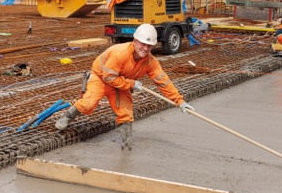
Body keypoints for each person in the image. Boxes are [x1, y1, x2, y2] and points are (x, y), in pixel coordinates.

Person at [55, 23, 195, 149]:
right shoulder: (120, 54)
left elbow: (163, 82)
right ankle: (68, 116)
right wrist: (131, 84)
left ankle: (126, 142)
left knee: (126, 114)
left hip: (121, 83)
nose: (145, 48)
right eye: (142, 44)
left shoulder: (150, 62)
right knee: (88, 104)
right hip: (101, 78)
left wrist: (180, 101)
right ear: (134, 41)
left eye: (149, 45)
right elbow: (108, 77)